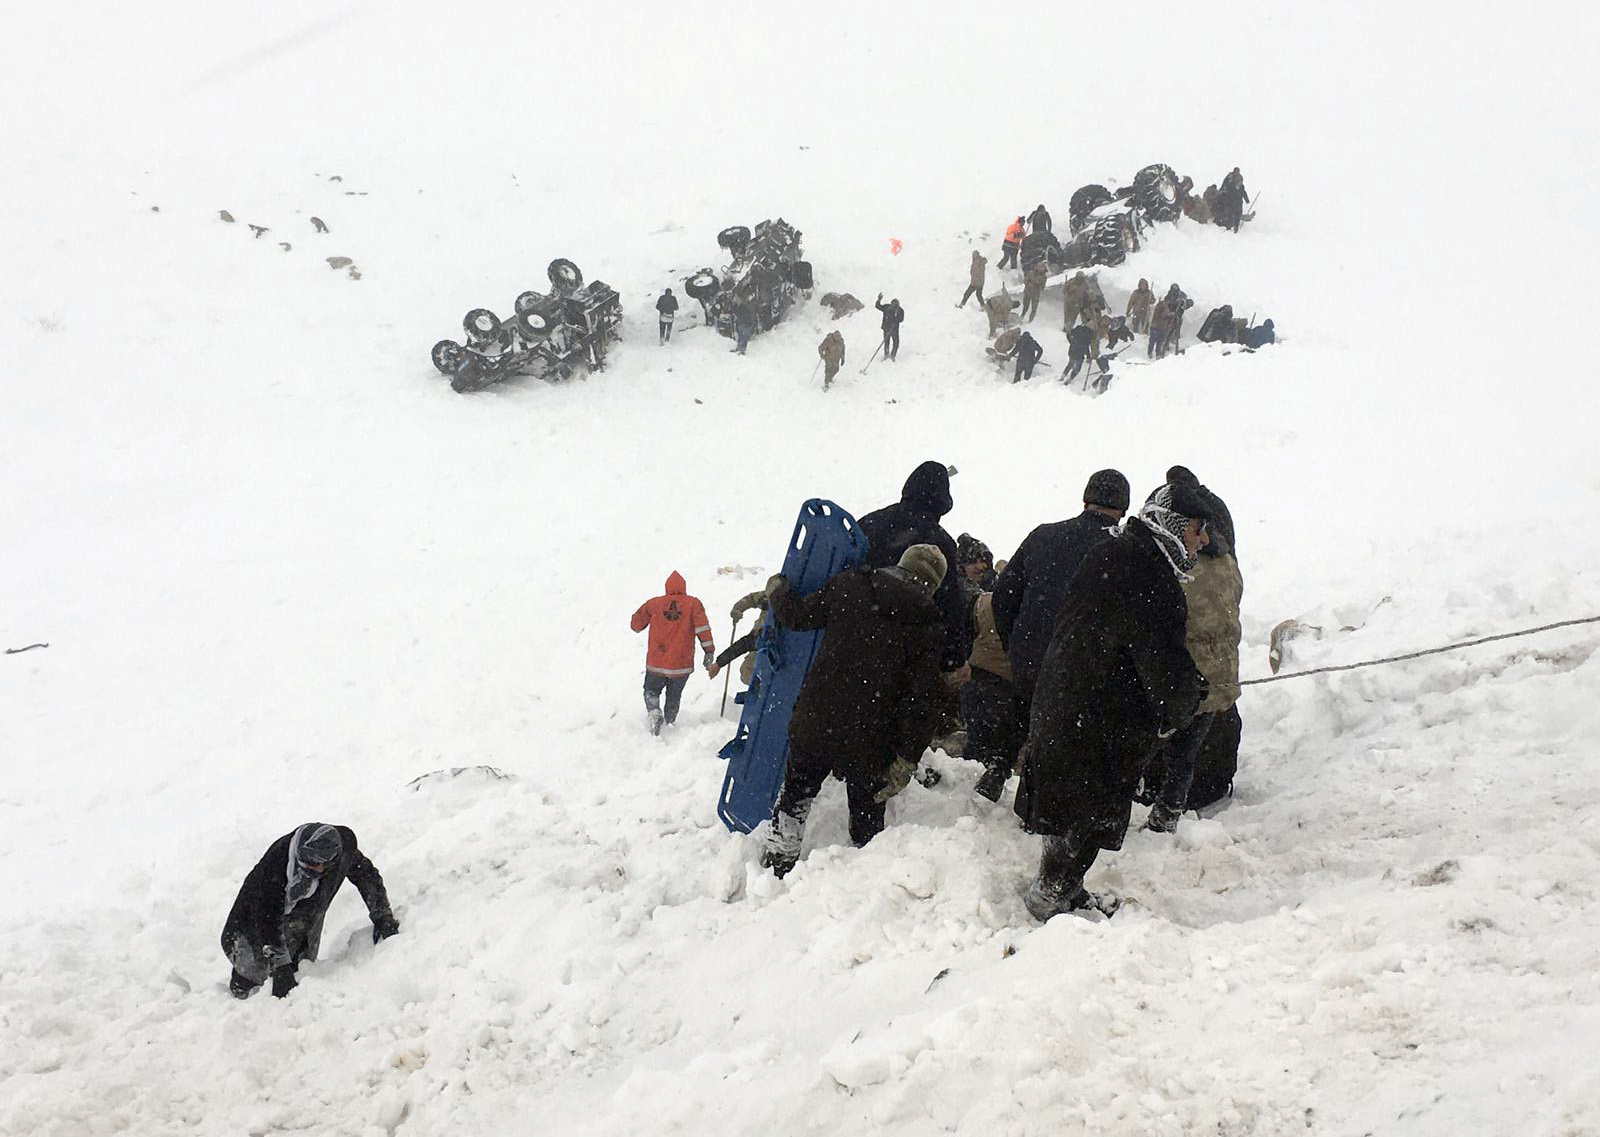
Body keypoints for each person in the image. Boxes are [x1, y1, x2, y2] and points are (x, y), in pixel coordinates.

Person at [1015, 481, 1210, 920]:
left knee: (1067, 811)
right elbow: (1160, 657)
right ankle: (1051, 898)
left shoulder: (1112, 553)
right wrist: (1185, 700)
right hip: (1101, 721)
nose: (1203, 540)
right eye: (1198, 529)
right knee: (1086, 817)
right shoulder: (1151, 577)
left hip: (1066, 701)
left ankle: (1062, 888)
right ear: (1174, 527)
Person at [760, 546, 947, 876]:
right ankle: (860, 879)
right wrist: (906, 758)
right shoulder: (927, 621)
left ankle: (778, 863)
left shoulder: (851, 585)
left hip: (817, 718)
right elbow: (921, 701)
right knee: (867, 812)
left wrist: (778, 593)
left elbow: (799, 616)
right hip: (871, 735)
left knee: (796, 797)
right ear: (932, 585)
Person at [1144, 473, 1243, 832]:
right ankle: (1175, 806)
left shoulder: (1180, 569)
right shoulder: (1228, 564)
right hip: (1220, 681)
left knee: (1168, 744)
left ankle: (1162, 806)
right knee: (1192, 748)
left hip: (1185, 681)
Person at [991, 469, 1128, 718]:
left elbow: (1003, 595)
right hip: (1086, 678)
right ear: (1124, 510)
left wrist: (1015, 645)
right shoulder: (1125, 551)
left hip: (1031, 665)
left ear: (1086, 500)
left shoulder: (1043, 535)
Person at [221, 822, 398, 999]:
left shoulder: (342, 851)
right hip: (254, 922)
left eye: (314, 866)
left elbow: (365, 874)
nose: (306, 869)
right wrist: (280, 966)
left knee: (301, 972)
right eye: (303, 863)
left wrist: (382, 913)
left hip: (306, 920)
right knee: (254, 972)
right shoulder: (276, 864)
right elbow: (266, 916)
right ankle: (240, 994)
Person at [857, 461, 972, 677]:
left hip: (852, 632)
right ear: (943, 498)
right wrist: (954, 658)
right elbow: (949, 603)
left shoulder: (870, 522)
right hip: (901, 651)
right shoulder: (940, 542)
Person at [630, 572, 715, 734]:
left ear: (667, 587)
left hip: (657, 662)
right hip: (681, 664)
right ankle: (670, 722)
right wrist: (708, 651)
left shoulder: (654, 604)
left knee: (651, 690)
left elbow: (636, 625)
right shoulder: (693, 604)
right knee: (674, 696)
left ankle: (654, 712)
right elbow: (703, 629)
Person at [1216, 167, 1249, 232]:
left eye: (1241, 182)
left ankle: (1236, 227)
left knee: (1238, 215)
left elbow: (1244, 192)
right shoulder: (1230, 181)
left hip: (1239, 203)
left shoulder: (1241, 186)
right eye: (1239, 183)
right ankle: (1228, 226)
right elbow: (1225, 187)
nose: (1240, 184)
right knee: (1230, 214)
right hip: (1231, 203)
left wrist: (1246, 199)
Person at [874, 293, 904, 362]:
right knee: (887, 342)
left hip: (894, 329)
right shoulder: (887, 307)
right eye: (893, 305)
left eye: (896, 306)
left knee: (896, 343)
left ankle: (892, 355)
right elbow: (878, 306)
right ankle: (886, 355)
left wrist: (897, 319)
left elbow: (901, 319)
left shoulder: (900, 310)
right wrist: (878, 300)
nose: (894, 307)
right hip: (886, 328)